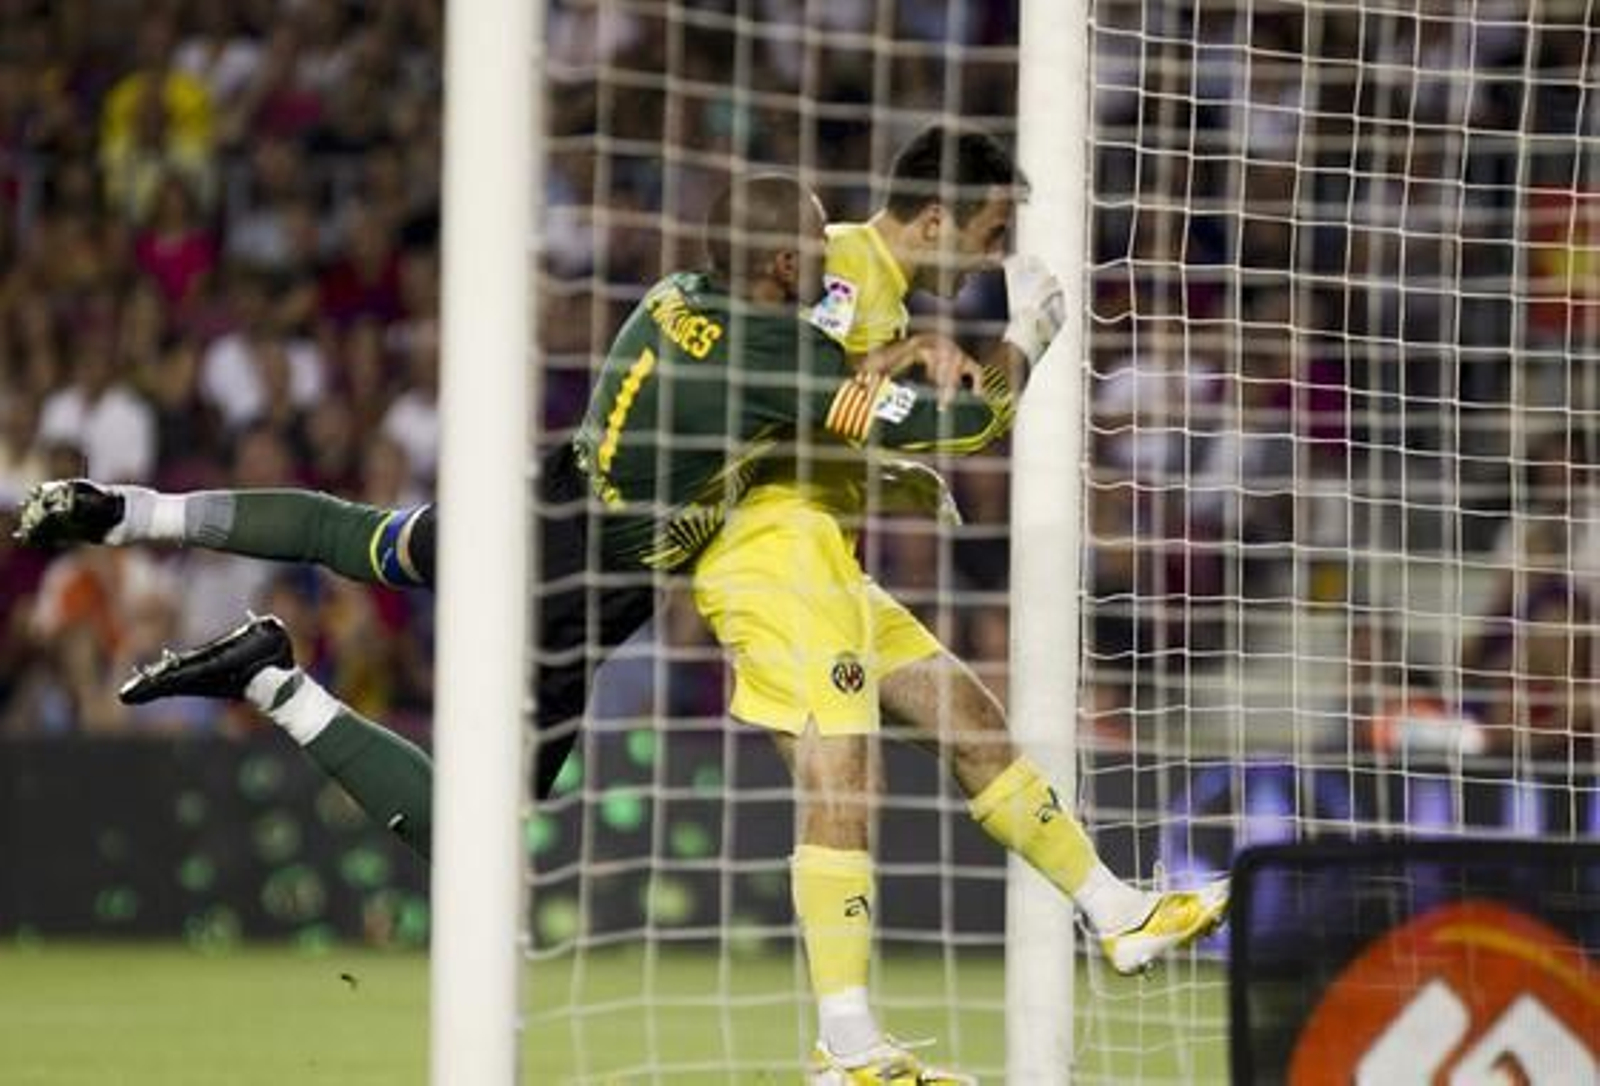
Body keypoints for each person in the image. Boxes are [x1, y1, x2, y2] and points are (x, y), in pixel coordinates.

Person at [93, 174, 1223, 1085]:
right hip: (567, 591)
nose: (829, 257)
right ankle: (278, 682)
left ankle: (1112, 909)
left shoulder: (687, 293)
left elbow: (788, 393)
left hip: (552, 510)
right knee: (488, 845)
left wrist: (885, 409)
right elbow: (955, 420)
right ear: (782, 268)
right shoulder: (767, 352)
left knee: (954, 708)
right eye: (811, 249)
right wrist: (1024, 338)